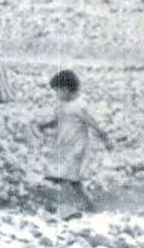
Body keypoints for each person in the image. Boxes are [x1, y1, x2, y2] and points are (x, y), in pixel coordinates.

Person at [37, 70, 111, 216]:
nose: (56, 95)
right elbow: (56, 120)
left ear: (66, 89)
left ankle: (68, 207)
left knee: (64, 176)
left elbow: (94, 124)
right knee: (72, 180)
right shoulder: (62, 105)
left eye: (57, 91)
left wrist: (106, 139)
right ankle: (89, 205)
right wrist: (44, 126)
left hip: (77, 147)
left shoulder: (80, 106)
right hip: (63, 145)